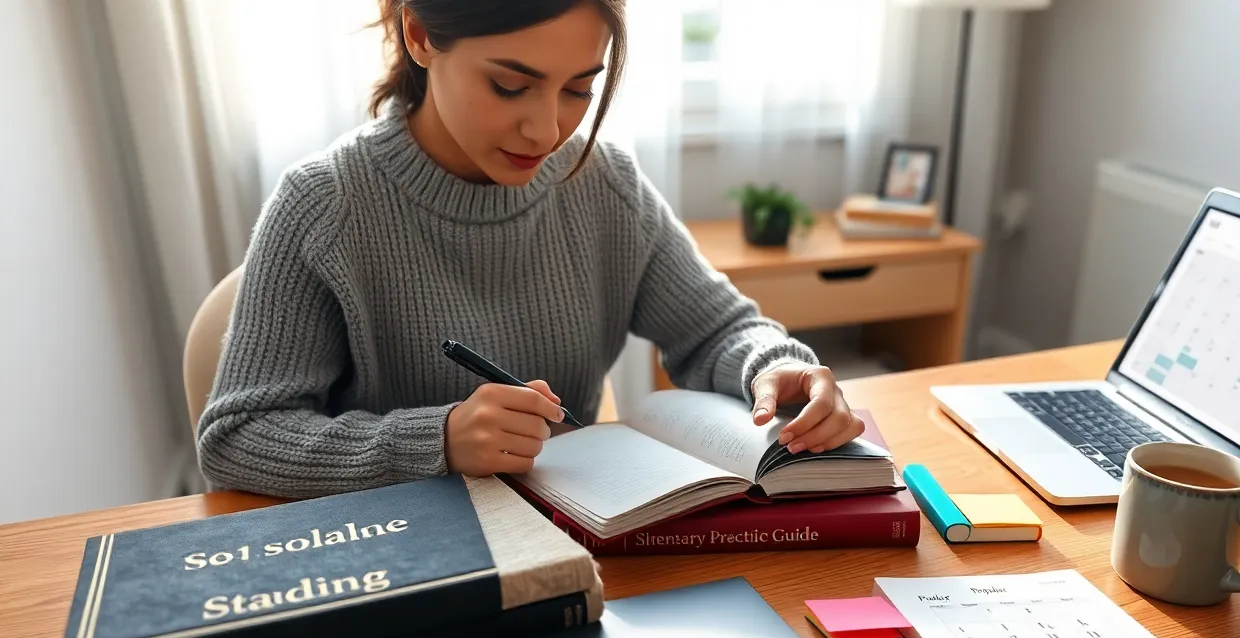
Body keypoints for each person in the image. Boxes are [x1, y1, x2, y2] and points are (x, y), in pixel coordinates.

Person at [196, 0, 866, 500]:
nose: (547, 129)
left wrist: (777, 367)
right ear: (421, 35)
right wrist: (436, 441)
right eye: (510, 86)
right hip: (412, 564)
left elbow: (719, 328)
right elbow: (238, 437)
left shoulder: (603, 182)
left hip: (581, 541)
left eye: (579, 88)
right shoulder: (325, 205)